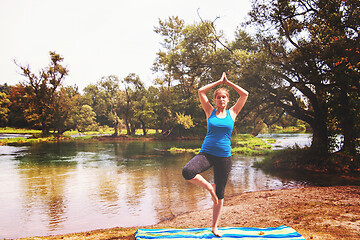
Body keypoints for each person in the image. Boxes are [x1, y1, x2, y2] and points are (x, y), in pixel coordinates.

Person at [182, 72, 248, 237]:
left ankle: (214, 227)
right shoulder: (209, 111)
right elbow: (200, 92)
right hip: (207, 154)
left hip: (224, 157)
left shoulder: (232, 113)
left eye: (224, 97)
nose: (221, 100)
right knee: (187, 171)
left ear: (227, 100)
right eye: (218, 97)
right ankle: (208, 187)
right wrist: (218, 82)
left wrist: (229, 83)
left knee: (220, 194)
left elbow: (245, 94)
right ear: (215, 100)